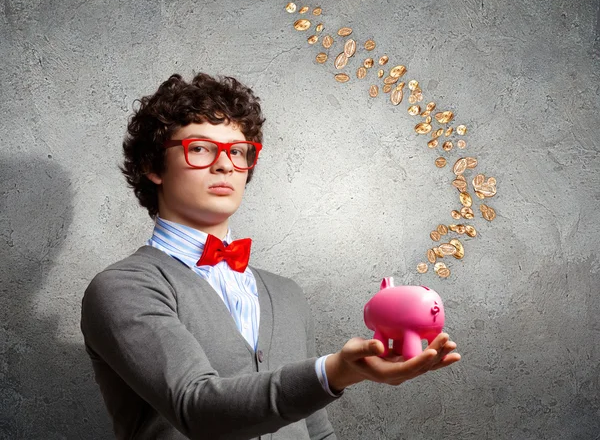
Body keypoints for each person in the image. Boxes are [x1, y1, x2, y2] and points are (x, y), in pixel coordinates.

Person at [80, 73, 461, 440]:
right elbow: (196, 409)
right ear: (152, 166)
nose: (225, 164)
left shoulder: (286, 295)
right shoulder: (122, 288)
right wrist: (333, 373)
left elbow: (316, 431)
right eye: (199, 148)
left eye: (239, 151)